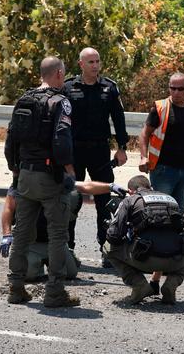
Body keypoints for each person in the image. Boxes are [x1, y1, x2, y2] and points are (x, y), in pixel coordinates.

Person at [4, 56, 79, 307]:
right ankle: (55, 291)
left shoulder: (24, 100)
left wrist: (15, 171)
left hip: (25, 174)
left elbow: (11, 139)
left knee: (22, 232)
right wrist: (69, 169)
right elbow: (61, 139)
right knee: (58, 235)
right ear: (59, 73)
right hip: (50, 177)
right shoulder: (61, 102)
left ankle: (16, 287)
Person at [63, 47, 129, 266]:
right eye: (90, 62)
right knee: (72, 200)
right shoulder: (68, 87)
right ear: (81, 64)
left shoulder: (109, 88)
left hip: (100, 150)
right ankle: (67, 249)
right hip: (75, 151)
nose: (95, 65)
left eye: (97, 61)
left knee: (105, 201)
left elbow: (118, 119)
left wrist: (121, 147)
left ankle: (106, 249)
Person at [0, 176, 128, 281]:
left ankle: (66, 254)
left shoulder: (56, 179)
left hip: (54, 242)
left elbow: (84, 186)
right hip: (30, 243)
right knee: (28, 275)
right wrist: (6, 235)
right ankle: (34, 263)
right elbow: (8, 208)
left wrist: (110, 187)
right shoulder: (24, 181)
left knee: (70, 273)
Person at [105, 175, 184, 305]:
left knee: (107, 247)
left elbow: (114, 236)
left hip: (144, 259)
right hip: (175, 260)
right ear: (150, 187)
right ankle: (171, 284)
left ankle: (139, 284)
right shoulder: (171, 200)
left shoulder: (130, 200)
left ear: (131, 191)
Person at [138, 72, 184, 212]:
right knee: (161, 211)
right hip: (164, 170)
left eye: (180, 89)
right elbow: (144, 134)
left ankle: (176, 235)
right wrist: (143, 157)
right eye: (173, 88)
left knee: (178, 211)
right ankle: (159, 235)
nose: (176, 92)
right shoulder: (160, 107)